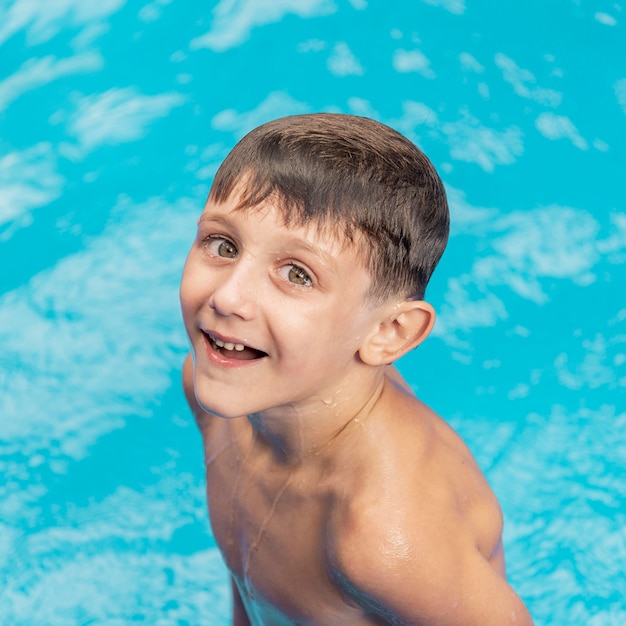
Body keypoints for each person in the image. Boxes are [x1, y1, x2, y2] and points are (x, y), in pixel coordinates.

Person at [180, 113, 533, 625]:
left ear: (388, 333)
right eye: (224, 245)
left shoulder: (383, 538)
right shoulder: (216, 388)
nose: (227, 296)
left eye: (297, 274)